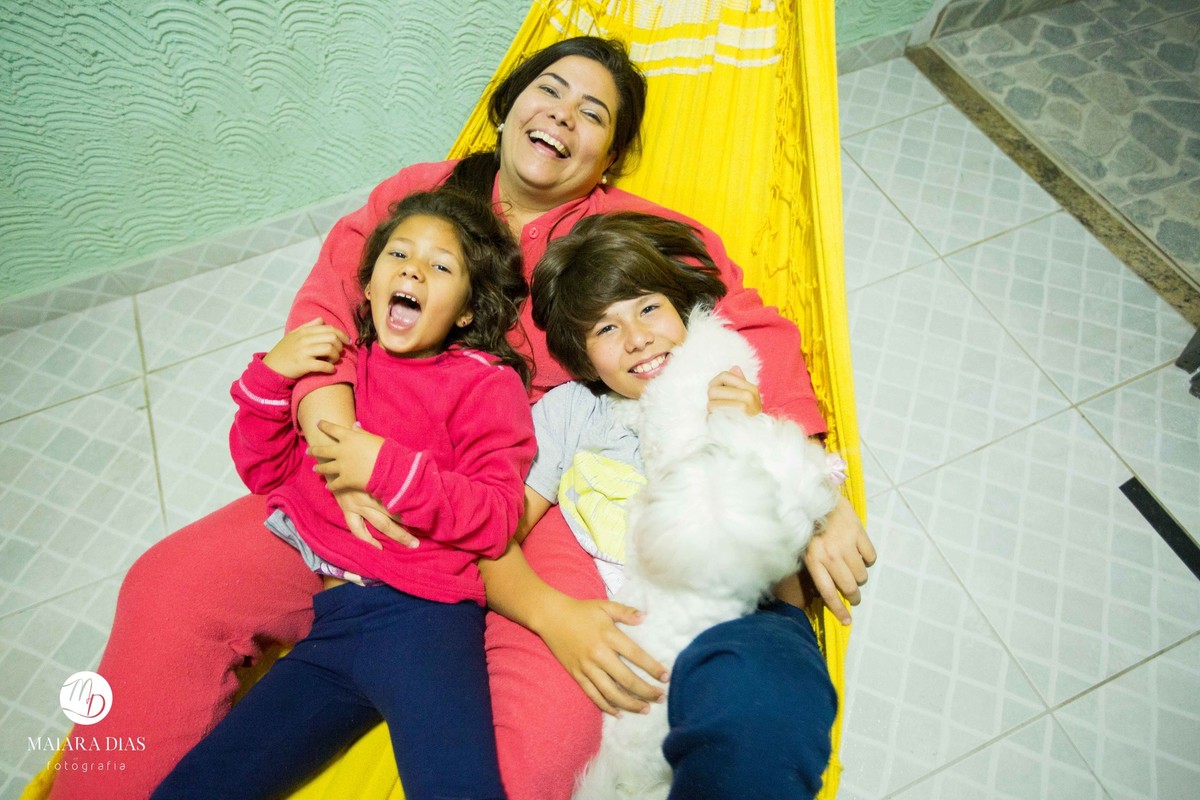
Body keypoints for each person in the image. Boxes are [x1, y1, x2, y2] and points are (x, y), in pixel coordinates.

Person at [47, 36, 874, 800]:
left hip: (523, 496)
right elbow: (326, 313)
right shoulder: (417, 197)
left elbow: (749, 328)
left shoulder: (620, 229)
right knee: (171, 589)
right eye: (549, 92)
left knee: (541, 748)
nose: (563, 115)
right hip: (365, 467)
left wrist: (812, 492)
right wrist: (344, 452)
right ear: (506, 105)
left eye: (593, 114)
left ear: (608, 160)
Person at [153, 189, 533, 800]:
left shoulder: (482, 383)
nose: (413, 268)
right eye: (399, 255)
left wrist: (381, 465)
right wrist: (271, 375)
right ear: (373, 281)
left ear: (465, 311)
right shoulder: (344, 370)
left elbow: (496, 515)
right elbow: (269, 473)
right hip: (331, 626)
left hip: (425, 621)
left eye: (441, 266)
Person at [483, 212, 840, 799]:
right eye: (604, 329)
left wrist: (743, 435)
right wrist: (553, 613)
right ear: (581, 356)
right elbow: (489, 536)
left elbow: (788, 535)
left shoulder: (730, 380)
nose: (637, 339)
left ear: (681, 311)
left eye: (647, 309)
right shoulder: (571, 413)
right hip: (633, 629)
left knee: (760, 705)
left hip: (747, 616)